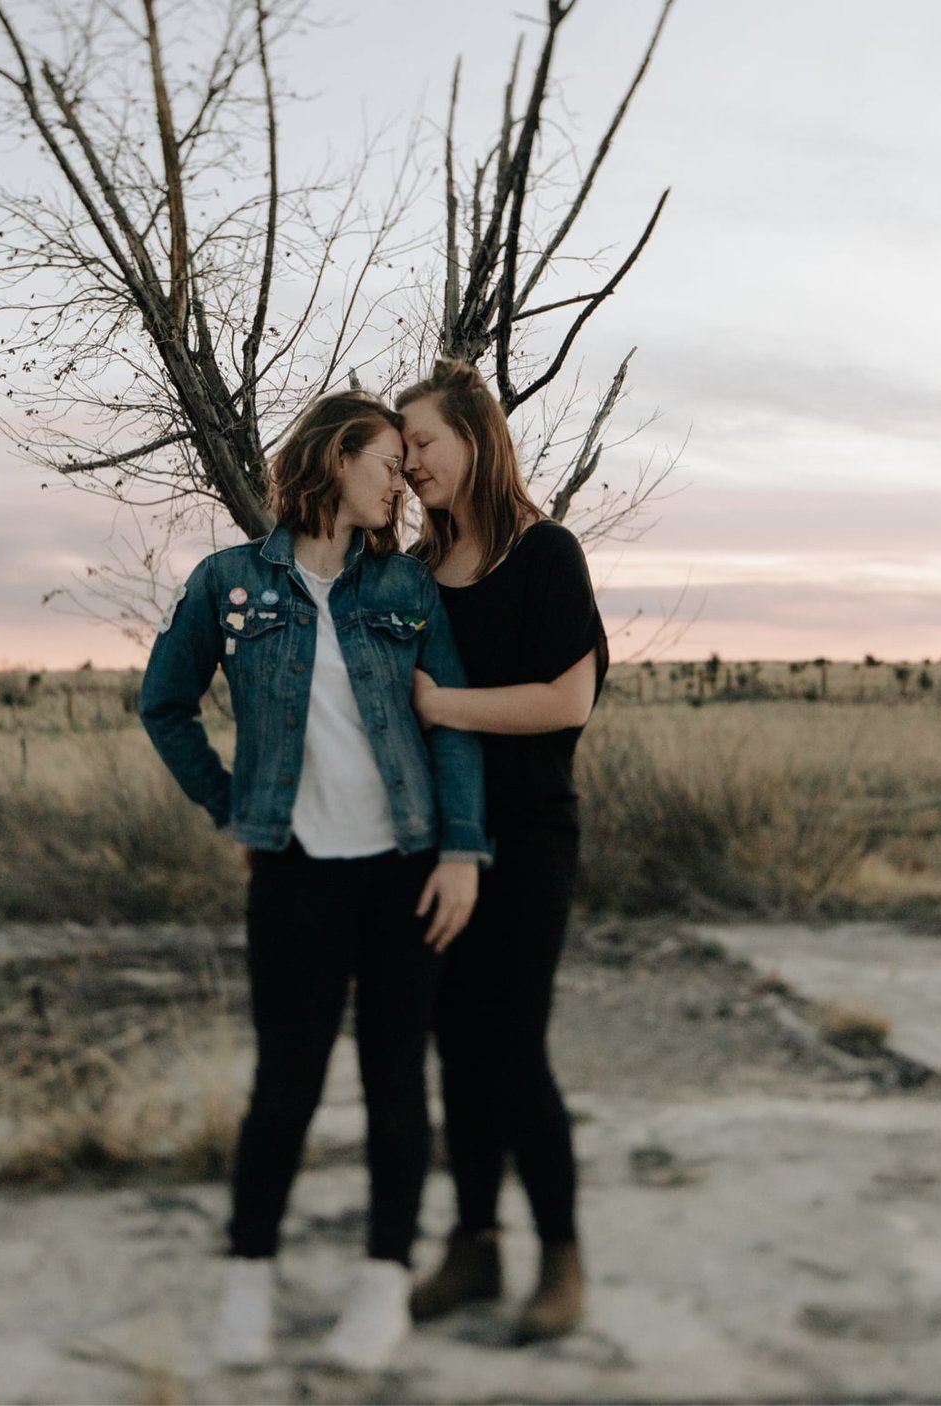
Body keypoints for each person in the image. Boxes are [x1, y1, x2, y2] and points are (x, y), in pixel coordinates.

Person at [138, 388, 490, 1371]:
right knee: (284, 1083)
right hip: (295, 874)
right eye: (386, 462)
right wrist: (231, 805)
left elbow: (451, 717)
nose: (400, 481)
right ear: (337, 459)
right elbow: (162, 703)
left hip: (405, 870)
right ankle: (247, 1277)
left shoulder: (406, 590)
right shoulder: (230, 582)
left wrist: (461, 850)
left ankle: (383, 1286)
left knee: (392, 1083)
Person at [395, 357, 607, 1344]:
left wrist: (445, 705)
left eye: (424, 443)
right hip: (436, 840)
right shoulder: (413, 576)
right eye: (402, 452)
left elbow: (567, 702)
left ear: (476, 439)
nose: (411, 465)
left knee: (512, 1047)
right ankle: (475, 1245)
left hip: (526, 834)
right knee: (456, 1050)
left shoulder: (545, 555)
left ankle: (560, 1255)